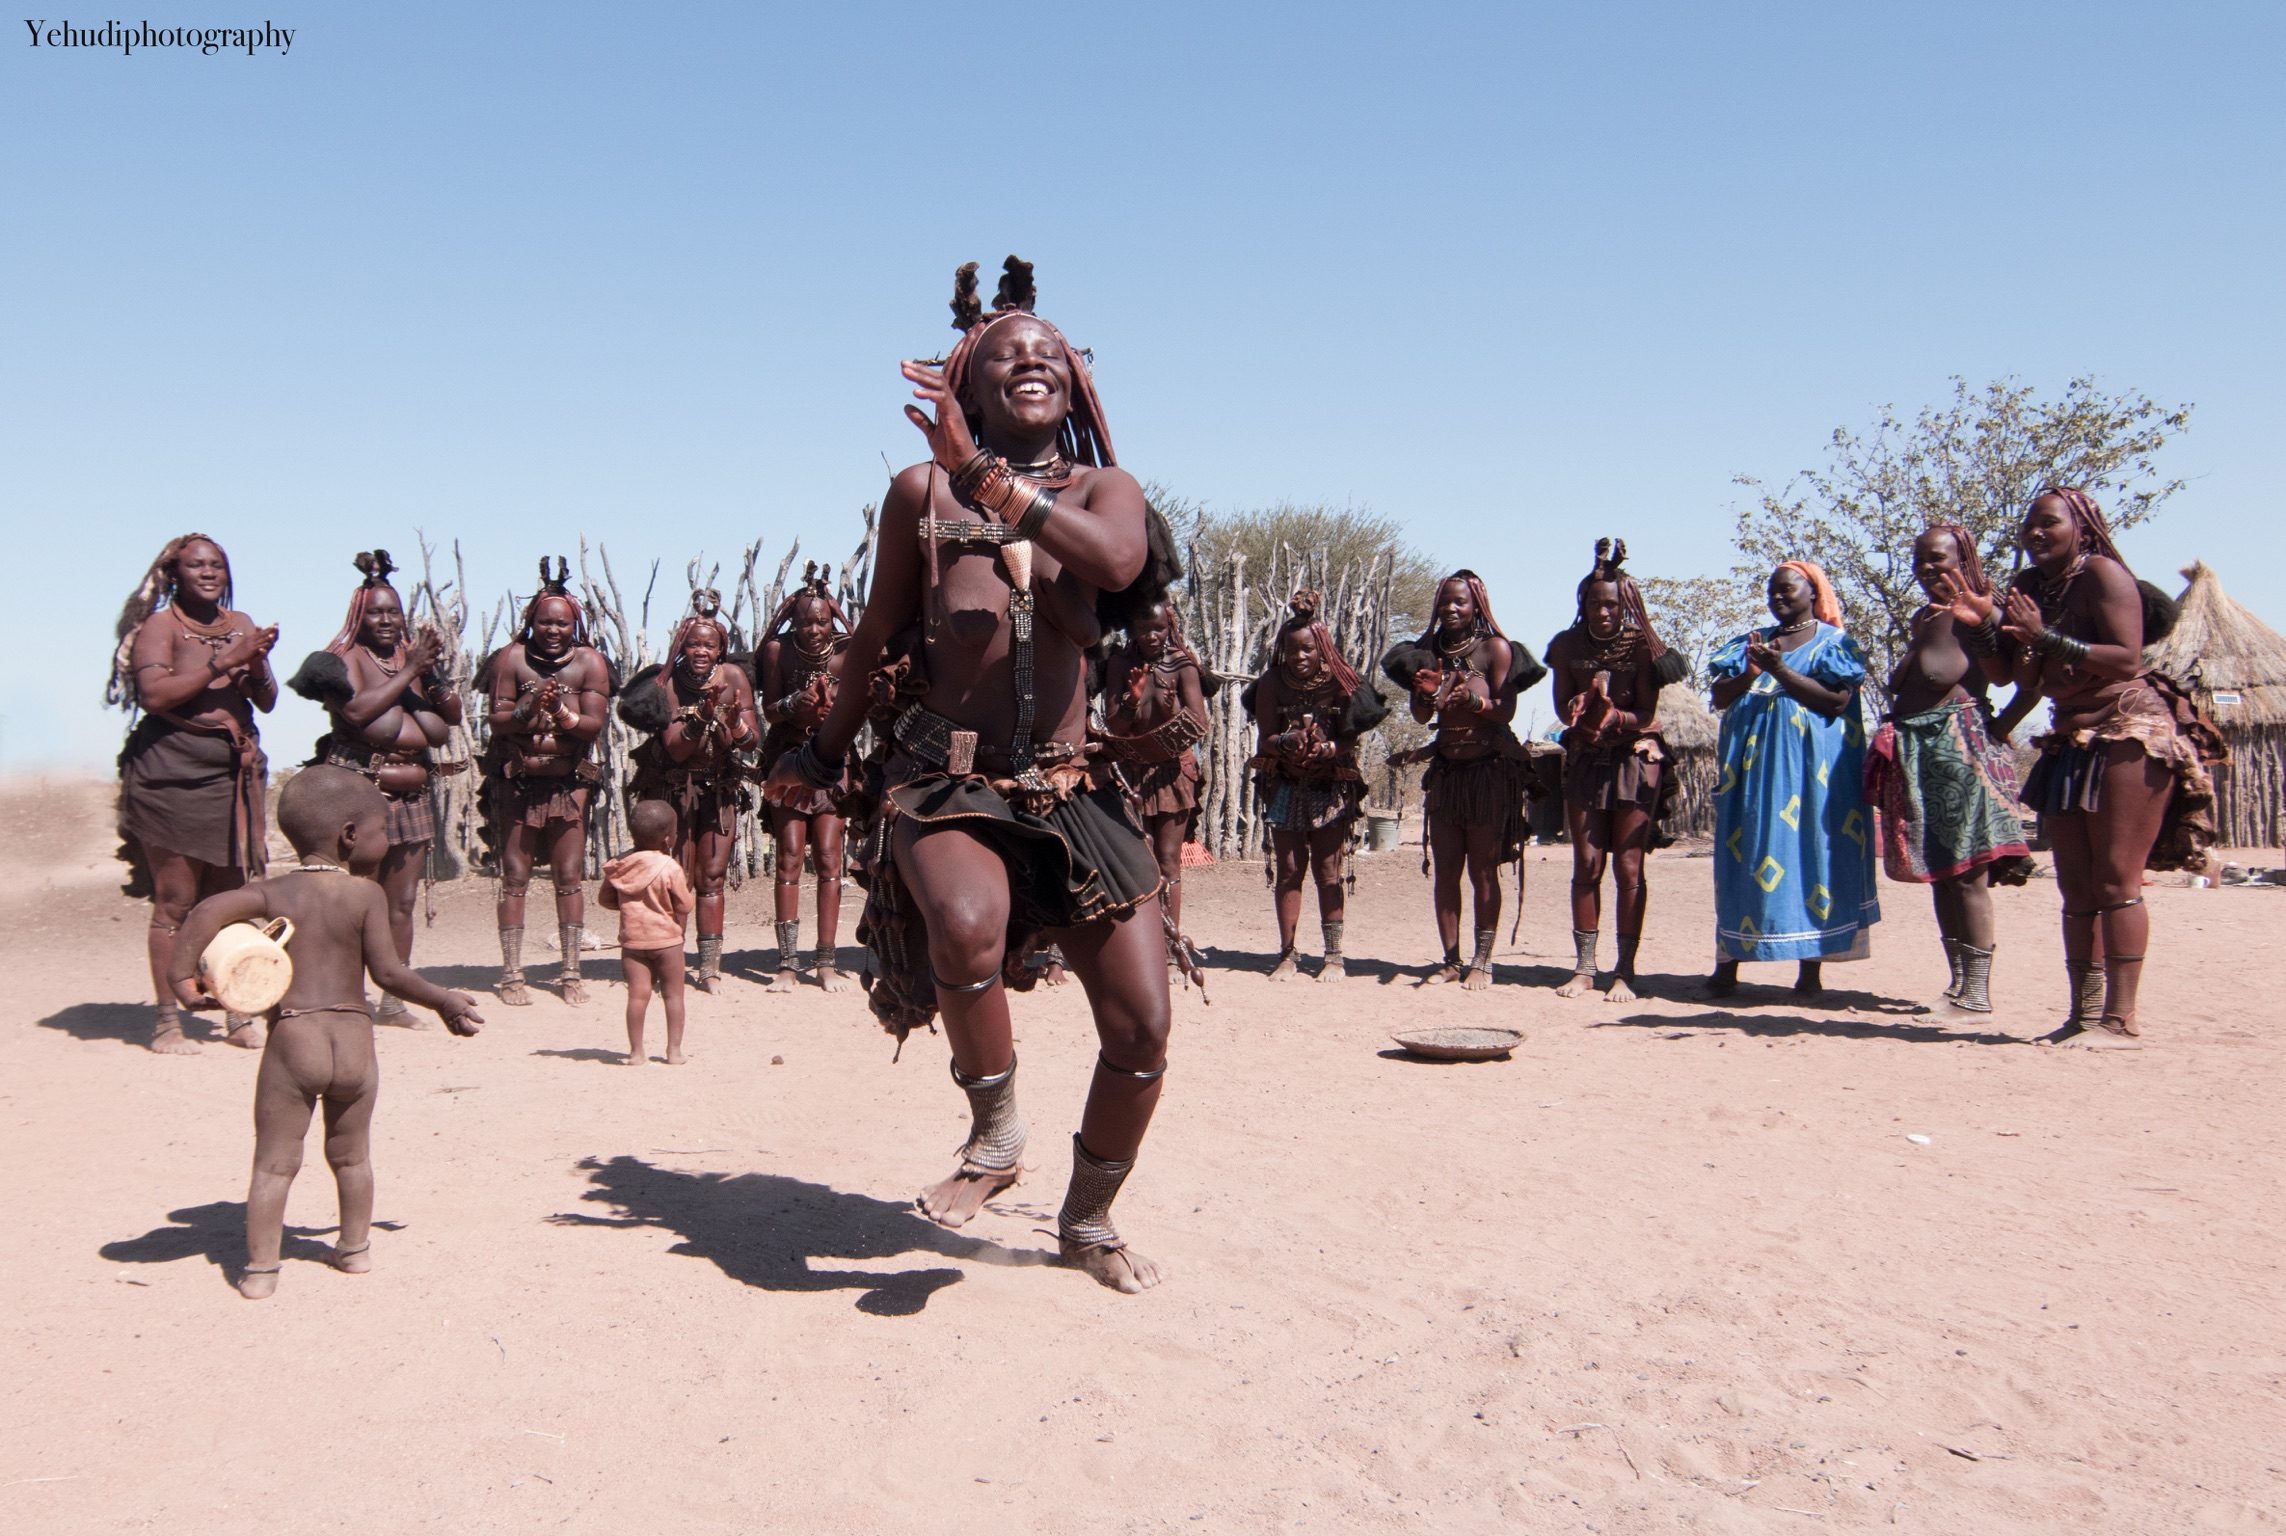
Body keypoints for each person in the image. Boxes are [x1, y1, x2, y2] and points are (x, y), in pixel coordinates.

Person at [766, 257, 1178, 1293]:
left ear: (1076, 384)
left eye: (1046, 355)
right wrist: (818, 757)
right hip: (947, 780)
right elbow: (872, 637)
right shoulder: (920, 494)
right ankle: (995, 1131)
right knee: (961, 923)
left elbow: (1117, 564)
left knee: (1142, 1027)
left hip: (1071, 789)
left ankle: (1085, 1220)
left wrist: (993, 485)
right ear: (966, 384)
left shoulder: (1106, 490)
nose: (1029, 363)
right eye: (1004, 356)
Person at [166, 765, 483, 1300]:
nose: (388, 838)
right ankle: (354, 1250)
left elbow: (205, 911)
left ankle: (262, 1271)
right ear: (351, 836)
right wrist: (444, 1001)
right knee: (353, 1156)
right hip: (355, 1041)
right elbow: (390, 975)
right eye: (384, 828)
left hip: (296, 1038)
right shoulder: (365, 897)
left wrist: (180, 974)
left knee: (274, 1163)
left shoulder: (273, 894)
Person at [1930, 486, 2220, 1046]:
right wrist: (1983, 626)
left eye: (2048, 523)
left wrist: (2047, 637)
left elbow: (2125, 657)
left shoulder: (2104, 576)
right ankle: (2084, 1017)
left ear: (2081, 526)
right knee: (2077, 886)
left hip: (2127, 732)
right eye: (2028, 526)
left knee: (2115, 877)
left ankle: (2120, 1018)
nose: (2034, 534)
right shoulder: (2029, 587)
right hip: (2070, 737)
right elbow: (2006, 675)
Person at [108, 533, 279, 1054]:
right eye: (197, 566)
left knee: (228, 902)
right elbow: (155, 695)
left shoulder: (241, 624)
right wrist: (224, 661)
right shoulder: (161, 626)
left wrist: (255, 661)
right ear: (174, 575)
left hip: (232, 778)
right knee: (176, 902)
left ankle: (235, 1009)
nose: (208, 573)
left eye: (217, 566)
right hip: (171, 777)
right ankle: (167, 1020)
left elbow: (266, 700)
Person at [286, 551, 465, 1026]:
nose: (386, 620)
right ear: (357, 616)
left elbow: (449, 720)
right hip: (360, 795)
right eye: (375, 612)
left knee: (399, 903)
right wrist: (410, 672)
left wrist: (428, 673)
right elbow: (358, 713)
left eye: (393, 613)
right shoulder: (340, 662)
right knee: (351, 898)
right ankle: (344, 991)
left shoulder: (408, 661)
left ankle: (393, 998)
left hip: (411, 796)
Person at [1861, 526, 2034, 1013]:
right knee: (1941, 872)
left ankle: (1977, 992)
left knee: (1967, 876)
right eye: (1919, 560)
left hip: (1960, 751)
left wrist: (2000, 730)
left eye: (1938, 559)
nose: (1927, 569)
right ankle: (1958, 984)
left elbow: (2024, 680)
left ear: (1965, 559)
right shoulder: (1925, 618)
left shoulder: (1987, 612)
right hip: (1920, 752)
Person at [1706, 561, 1881, 996]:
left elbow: (1836, 702)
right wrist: (1750, 673)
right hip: (1749, 778)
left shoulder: (1834, 644)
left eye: (1787, 590)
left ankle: (1809, 974)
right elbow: (1719, 697)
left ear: (1813, 592)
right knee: (1742, 859)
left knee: (1811, 860)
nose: (1779, 597)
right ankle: (1727, 970)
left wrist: (1781, 671)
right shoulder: (1752, 643)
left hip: (1810, 780)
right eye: (1772, 592)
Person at [1380, 570, 1543, 990]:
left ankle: (1483, 961)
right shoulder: (1427, 651)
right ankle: (1451, 960)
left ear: (1477, 607)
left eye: (1460, 603)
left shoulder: (1495, 650)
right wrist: (1427, 693)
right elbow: (1421, 716)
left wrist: (1471, 698)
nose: (1451, 609)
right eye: (1445, 602)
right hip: (1448, 774)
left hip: (1488, 772)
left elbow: (1505, 710)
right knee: (1447, 870)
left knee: (1483, 871)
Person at [1544, 541, 1685, 1001]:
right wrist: (1580, 712)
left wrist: (1616, 718)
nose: (1603, 612)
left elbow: (1647, 713)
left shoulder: (1643, 647)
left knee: (1628, 867)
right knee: (1586, 863)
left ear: (1625, 605)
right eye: (1594, 603)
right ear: (1581, 604)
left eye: (1611, 604)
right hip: (1587, 761)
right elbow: (1563, 708)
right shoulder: (1566, 646)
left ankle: (1625, 968)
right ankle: (1585, 966)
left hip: (1631, 762)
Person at [480, 559, 611, 1005]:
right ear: (530, 622)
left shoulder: (590, 662)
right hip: (518, 782)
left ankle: (570, 973)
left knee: (569, 876)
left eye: (562, 622)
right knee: (514, 876)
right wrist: (528, 705)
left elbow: (592, 727)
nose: (553, 629)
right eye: (544, 621)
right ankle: (512, 975)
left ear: (575, 624)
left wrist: (560, 714)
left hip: (568, 782)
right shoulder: (511, 659)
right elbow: (498, 721)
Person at [620, 590, 757, 993]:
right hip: (672, 791)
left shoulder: (733, 678)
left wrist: (733, 725)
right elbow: (677, 748)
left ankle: (709, 969)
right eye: (694, 643)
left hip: (718, 791)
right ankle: (671, 965)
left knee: (711, 877)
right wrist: (703, 715)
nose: (701, 651)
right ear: (682, 645)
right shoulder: (666, 683)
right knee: (675, 877)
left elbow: (752, 741)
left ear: (721, 649)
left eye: (709, 645)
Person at [1248, 591, 1388, 982]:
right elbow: (1265, 738)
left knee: (1329, 872)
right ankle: (1288, 954)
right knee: (1289, 871)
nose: (1300, 657)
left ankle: (1334, 955)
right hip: (1286, 784)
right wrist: (1287, 743)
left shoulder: (1342, 682)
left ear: (1322, 647)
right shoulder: (1271, 683)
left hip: (1330, 785)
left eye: (1308, 649)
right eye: (1292, 650)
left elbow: (1351, 736)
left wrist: (1328, 748)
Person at [1095, 598, 1213, 989]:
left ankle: (1170, 942)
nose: (1151, 636)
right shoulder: (1118, 665)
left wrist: (1168, 708)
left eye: (1159, 628)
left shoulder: (1183, 665)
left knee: (1167, 861)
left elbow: (1199, 721)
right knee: (1137, 860)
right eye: (1144, 629)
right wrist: (1132, 698)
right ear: (1131, 630)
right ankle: (1141, 945)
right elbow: (1114, 721)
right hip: (1131, 770)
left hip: (1173, 771)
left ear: (1170, 628)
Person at [755, 565, 855, 993]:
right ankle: (787, 964)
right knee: (789, 858)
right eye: (805, 622)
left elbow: (859, 707)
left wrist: (832, 712)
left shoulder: (848, 652)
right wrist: (797, 701)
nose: (814, 629)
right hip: (789, 758)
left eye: (821, 621)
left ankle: (826, 961)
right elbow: (770, 710)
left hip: (833, 761)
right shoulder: (779, 651)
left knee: (831, 860)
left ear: (832, 618)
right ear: (792, 622)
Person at [599, 800, 698, 1065]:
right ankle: (674, 1052)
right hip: (667, 943)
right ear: (668, 840)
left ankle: (636, 1052)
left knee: (637, 995)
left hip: (633, 943)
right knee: (673, 995)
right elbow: (686, 906)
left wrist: (628, 906)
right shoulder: (668, 867)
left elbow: (606, 900)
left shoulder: (620, 866)